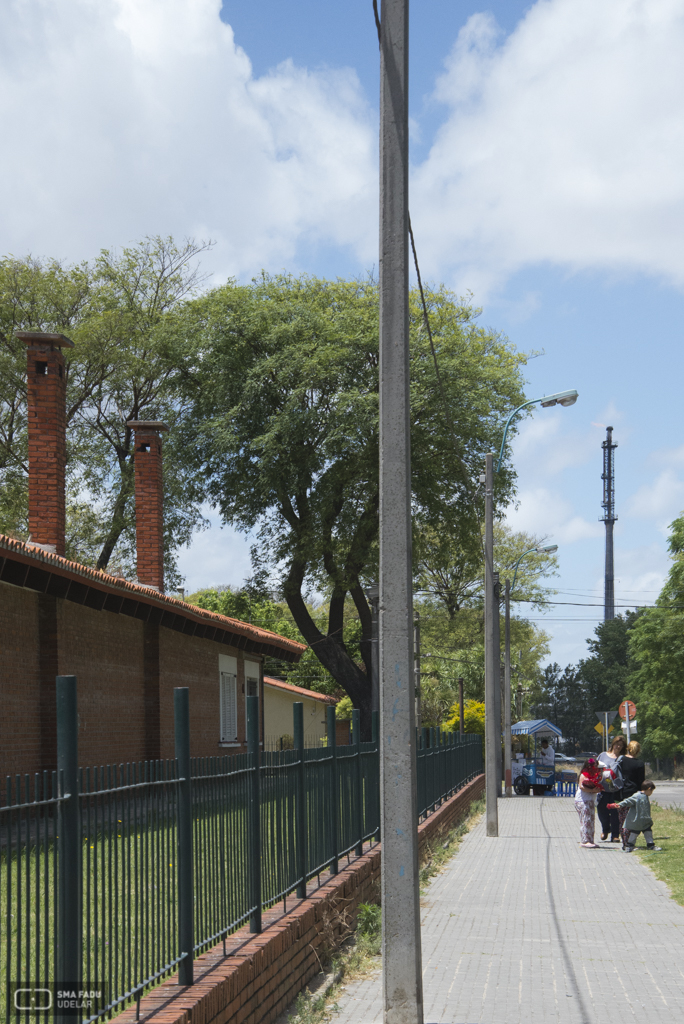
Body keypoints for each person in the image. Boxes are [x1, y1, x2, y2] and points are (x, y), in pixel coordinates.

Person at [607, 782, 662, 852]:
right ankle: (629, 846)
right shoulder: (637, 796)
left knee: (647, 831)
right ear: (649, 789)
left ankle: (650, 845)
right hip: (637, 820)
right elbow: (628, 801)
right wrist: (619, 805)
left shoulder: (645, 796)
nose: (651, 793)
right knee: (634, 833)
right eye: (651, 791)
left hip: (645, 820)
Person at [597, 736, 627, 842]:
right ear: (613, 744)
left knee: (615, 813)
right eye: (616, 744)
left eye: (621, 745)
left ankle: (615, 835)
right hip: (602, 789)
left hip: (616, 790)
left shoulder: (622, 758)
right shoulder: (603, 755)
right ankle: (605, 829)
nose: (618, 746)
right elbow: (596, 768)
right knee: (602, 811)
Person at [618, 740, 646, 846]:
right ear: (638, 750)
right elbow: (641, 781)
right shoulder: (639, 763)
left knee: (622, 818)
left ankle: (624, 840)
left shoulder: (620, 760)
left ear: (627, 748)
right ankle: (629, 841)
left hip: (620, 792)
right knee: (632, 818)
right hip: (634, 794)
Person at [574, 757, 602, 848]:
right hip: (583, 801)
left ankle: (590, 840)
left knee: (590, 821)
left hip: (590, 801)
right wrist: (592, 790)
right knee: (585, 820)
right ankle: (584, 841)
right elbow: (582, 786)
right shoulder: (584, 775)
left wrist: (596, 789)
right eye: (593, 766)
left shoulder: (594, 776)